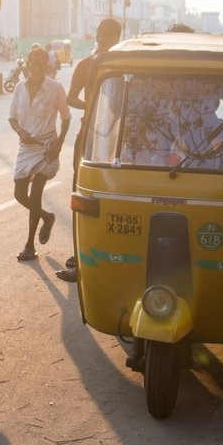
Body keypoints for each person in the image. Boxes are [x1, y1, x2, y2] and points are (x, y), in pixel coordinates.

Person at [56, 18, 122, 282]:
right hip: (90, 134)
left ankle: (104, 252)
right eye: (102, 36)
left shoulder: (123, 64)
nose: (105, 41)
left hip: (119, 137)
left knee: (111, 197)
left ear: (118, 37)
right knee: (82, 193)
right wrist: (92, 107)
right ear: (97, 36)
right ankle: (81, 254)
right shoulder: (87, 65)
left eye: (110, 37)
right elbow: (71, 97)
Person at [9, 47, 70, 261]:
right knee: (19, 194)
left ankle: (29, 245)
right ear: (27, 63)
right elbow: (12, 118)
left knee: (35, 195)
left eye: (39, 63)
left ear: (45, 65)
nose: (35, 67)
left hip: (47, 148)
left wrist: (59, 142)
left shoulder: (55, 88)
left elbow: (66, 117)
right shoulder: (19, 87)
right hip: (26, 148)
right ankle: (47, 216)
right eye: (32, 63)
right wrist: (20, 131)